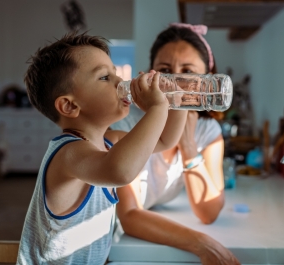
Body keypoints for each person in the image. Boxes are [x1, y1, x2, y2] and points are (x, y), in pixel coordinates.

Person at [16, 32, 188, 265]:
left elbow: (166, 140)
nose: (120, 82)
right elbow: (121, 172)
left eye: (115, 72)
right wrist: (157, 108)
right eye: (105, 77)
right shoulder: (68, 154)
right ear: (69, 105)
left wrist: (179, 98)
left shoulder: (111, 140)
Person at [111, 23, 240, 265]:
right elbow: (129, 215)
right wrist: (202, 243)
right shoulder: (126, 126)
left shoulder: (206, 130)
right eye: (165, 70)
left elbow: (209, 212)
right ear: (152, 73)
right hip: (118, 243)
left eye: (188, 72)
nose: (176, 82)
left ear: (207, 81)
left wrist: (188, 145)